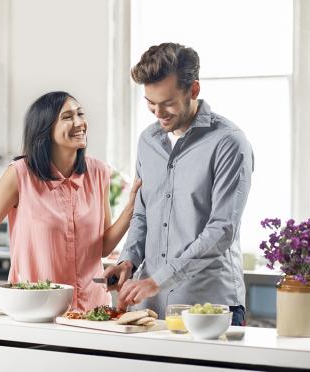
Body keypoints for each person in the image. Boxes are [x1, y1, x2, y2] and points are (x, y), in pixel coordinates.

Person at [0, 91, 141, 311]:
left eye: (80, 114)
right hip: (36, 309)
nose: (79, 122)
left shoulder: (98, 172)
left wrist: (131, 208)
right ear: (45, 129)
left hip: (92, 310)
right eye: (67, 117)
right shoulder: (19, 175)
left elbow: (101, 247)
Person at [103, 43, 253, 326]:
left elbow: (222, 229)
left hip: (210, 306)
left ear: (193, 90)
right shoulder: (148, 141)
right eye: (150, 102)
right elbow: (142, 213)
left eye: (167, 102)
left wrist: (159, 279)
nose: (158, 113)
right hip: (151, 306)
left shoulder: (229, 143)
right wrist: (129, 261)